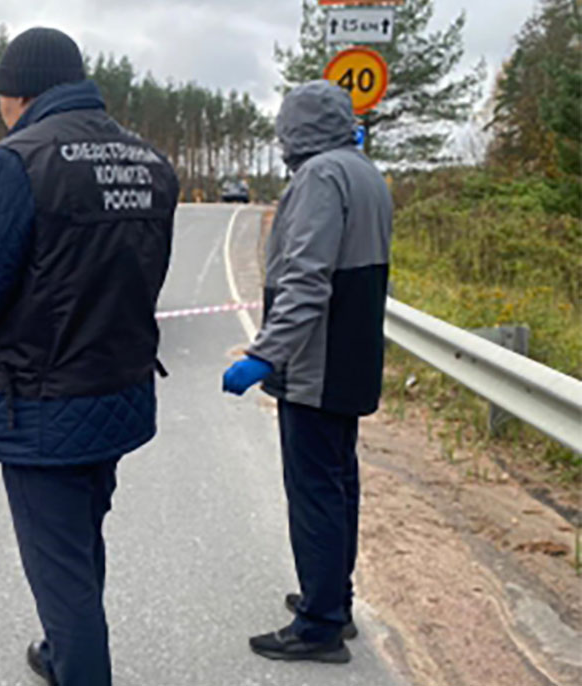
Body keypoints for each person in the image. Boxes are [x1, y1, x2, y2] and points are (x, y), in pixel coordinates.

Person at [0, 27, 179, 686]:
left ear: (17, 94)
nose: (1, 114)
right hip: (121, 390)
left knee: (60, 568)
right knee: (79, 543)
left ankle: (75, 660)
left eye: (1, 102)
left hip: (43, 401)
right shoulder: (150, 162)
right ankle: (62, 650)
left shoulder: (16, 162)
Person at [222, 79, 393, 664]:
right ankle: (332, 600)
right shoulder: (366, 173)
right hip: (353, 356)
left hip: (314, 364)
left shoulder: (319, 178)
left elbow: (305, 278)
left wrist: (265, 353)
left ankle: (319, 625)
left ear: (296, 131)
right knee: (340, 484)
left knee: (314, 490)